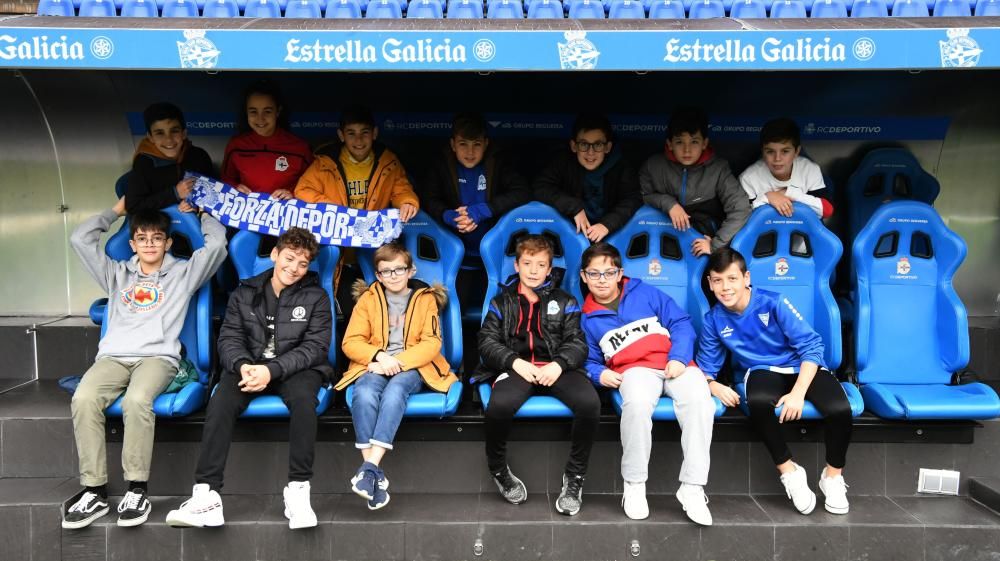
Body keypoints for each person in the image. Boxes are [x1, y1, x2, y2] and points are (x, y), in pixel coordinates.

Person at [64, 198, 227, 529]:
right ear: (133, 242)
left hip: (157, 358)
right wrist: (115, 212)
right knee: (82, 398)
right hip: (113, 357)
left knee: (138, 401)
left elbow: (217, 245)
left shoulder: (183, 272)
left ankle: (137, 489)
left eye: (157, 238)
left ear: (167, 242)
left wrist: (203, 213)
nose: (149, 244)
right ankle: (93, 490)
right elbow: (80, 238)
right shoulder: (116, 273)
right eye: (142, 238)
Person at [165, 228, 333, 530]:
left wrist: (273, 370)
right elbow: (229, 337)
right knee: (221, 402)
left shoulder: (316, 296)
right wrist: (243, 366)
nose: (294, 268)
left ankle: (297, 492)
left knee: (305, 402)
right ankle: (207, 496)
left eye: (303, 263)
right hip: (250, 367)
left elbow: (315, 347)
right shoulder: (245, 292)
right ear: (274, 255)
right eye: (289, 258)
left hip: (295, 370)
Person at [696, 248, 853, 515]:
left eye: (732, 279)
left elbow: (812, 347)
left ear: (746, 278)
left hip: (801, 367)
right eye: (718, 280)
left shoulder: (774, 302)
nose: (725, 287)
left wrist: (798, 393)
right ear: (710, 284)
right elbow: (705, 366)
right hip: (762, 371)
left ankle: (833, 477)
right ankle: (789, 471)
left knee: (839, 409)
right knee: (757, 402)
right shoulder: (714, 319)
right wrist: (713, 384)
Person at [579, 243, 715, 525]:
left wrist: (679, 356)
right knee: (638, 405)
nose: (602, 280)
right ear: (583, 276)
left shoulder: (645, 292)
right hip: (634, 370)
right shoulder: (586, 317)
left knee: (701, 402)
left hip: (674, 364)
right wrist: (598, 375)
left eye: (608, 272)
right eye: (594, 274)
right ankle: (635, 485)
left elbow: (680, 323)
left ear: (620, 273)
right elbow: (587, 360)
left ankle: (692, 488)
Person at [475, 235, 600, 516]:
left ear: (549, 268)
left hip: (557, 368)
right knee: (499, 406)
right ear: (517, 265)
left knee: (590, 404)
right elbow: (486, 341)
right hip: (518, 368)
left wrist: (558, 364)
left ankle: (575, 477)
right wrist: (514, 362)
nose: (533, 270)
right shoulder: (501, 301)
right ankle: (498, 468)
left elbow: (577, 342)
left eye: (540, 264)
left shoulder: (565, 301)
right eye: (527, 263)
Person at [338, 242, 458, 510]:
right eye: (385, 272)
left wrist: (398, 362)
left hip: (414, 367)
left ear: (410, 270)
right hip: (376, 364)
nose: (392, 276)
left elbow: (431, 343)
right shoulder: (368, 299)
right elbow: (351, 342)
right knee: (364, 392)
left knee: (395, 392)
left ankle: (369, 467)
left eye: (398, 270)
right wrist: (381, 357)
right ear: (378, 275)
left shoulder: (425, 298)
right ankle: (372, 477)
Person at [418, 112, 531, 311]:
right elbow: (428, 198)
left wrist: (484, 210)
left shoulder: (498, 162)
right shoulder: (442, 164)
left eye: (476, 144)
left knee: (504, 311)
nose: (470, 152)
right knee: (453, 311)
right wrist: (448, 215)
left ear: (486, 144)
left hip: (497, 256)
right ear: (453, 144)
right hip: (457, 259)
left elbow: (522, 191)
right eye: (463, 144)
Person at [639, 107, 750, 256]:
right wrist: (668, 203)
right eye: (679, 142)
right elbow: (640, 195)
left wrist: (715, 245)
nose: (687, 150)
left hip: (702, 241)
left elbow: (740, 208)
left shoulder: (718, 168)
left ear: (704, 143)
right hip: (661, 239)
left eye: (694, 142)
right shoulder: (653, 166)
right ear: (669, 144)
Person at [293, 104, 418, 222]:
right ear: (341, 135)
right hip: (338, 231)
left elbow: (402, 190)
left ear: (374, 133)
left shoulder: (389, 162)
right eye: (351, 133)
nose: (359, 140)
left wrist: (407, 202)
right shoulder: (325, 163)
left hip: (373, 231)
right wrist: (333, 208)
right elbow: (303, 190)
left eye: (364, 132)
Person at [534, 113, 642, 243]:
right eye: (584, 144)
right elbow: (540, 187)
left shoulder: (621, 166)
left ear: (607, 147)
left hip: (610, 235)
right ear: (574, 146)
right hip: (571, 233)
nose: (590, 152)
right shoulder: (563, 162)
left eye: (598, 144)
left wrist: (607, 224)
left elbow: (633, 198)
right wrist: (574, 207)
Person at [222, 79, 313, 199]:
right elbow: (225, 181)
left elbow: (313, 186)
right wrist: (234, 188)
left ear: (278, 112)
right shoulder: (236, 145)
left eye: (267, 111)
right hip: (246, 213)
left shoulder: (300, 148)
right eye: (253, 112)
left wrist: (293, 194)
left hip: (286, 213)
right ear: (246, 112)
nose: (260, 119)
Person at [126, 102, 213, 215]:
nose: (169, 140)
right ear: (150, 137)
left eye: (174, 131)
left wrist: (195, 205)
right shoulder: (143, 162)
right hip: (159, 226)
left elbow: (213, 194)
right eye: (160, 133)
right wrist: (175, 194)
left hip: (195, 223)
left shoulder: (199, 156)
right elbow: (133, 206)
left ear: (184, 133)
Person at [739, 118, 834, 220]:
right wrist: (767, 197)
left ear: (796, 151)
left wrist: (788, 193)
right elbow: (744, 219)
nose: (777, 158)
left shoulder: (809, 169)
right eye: (770, 151)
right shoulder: (749, 177)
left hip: (803, 229)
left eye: (785, 151)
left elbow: (827, 210)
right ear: (762, 151)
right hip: (763, 232)